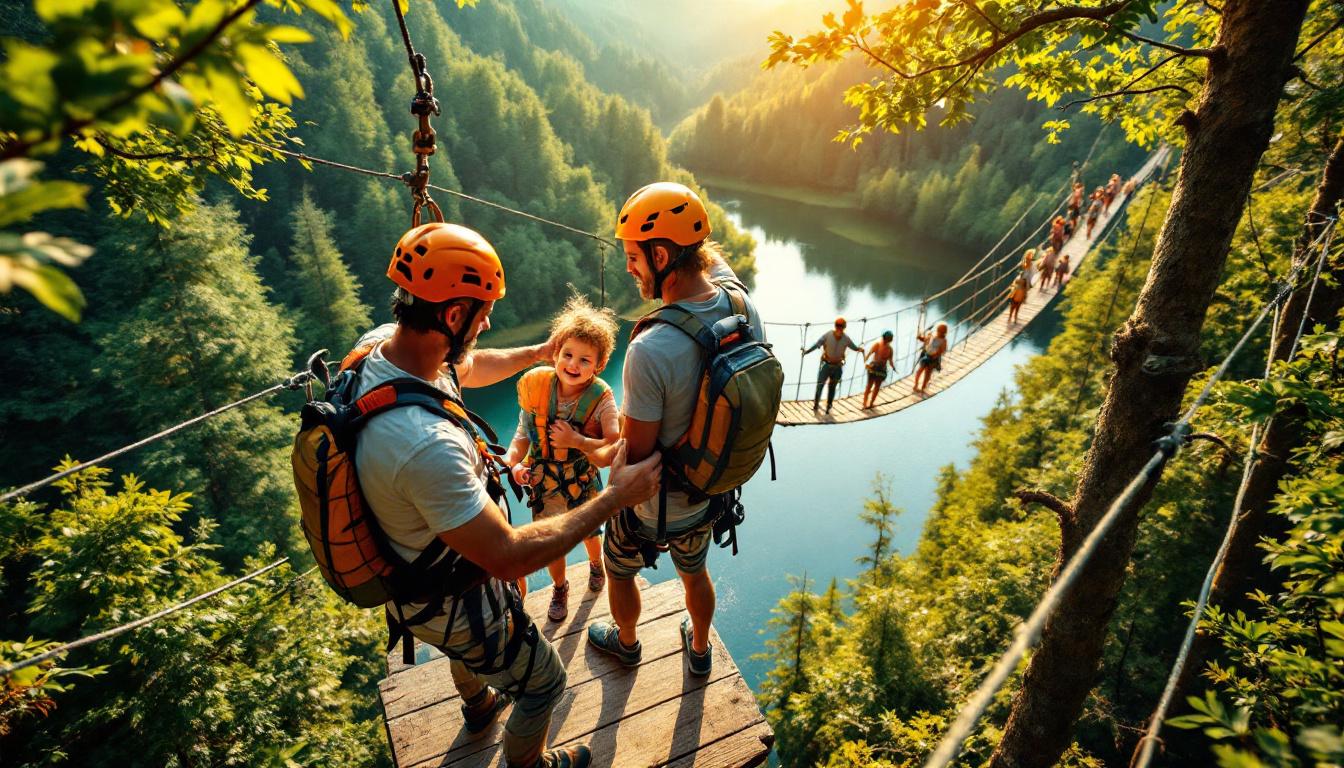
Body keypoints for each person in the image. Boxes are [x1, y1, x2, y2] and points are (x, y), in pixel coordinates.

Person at [358, 222, 661, 768]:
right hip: (451, 589)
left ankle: (478, 705)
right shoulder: (424, 445)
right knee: (545, 682)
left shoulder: (382, 349)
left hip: (413, 571)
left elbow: (467, 367)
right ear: (453, 316)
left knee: (463, 650)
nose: (490, 320)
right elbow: (510, 554)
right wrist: (616, 497)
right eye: (483, 311)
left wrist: (539, 352)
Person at [586, 181, 766, 680]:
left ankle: (626, 643)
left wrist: (598, 450)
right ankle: (701, 647)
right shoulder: (743, 308)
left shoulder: (651, 348)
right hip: (711, 492)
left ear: (661, 254)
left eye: (633, 256)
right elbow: (717, 269)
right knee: (695, 571)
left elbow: (639, 457)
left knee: (618, 567)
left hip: (652, 507)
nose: (628, 267)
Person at [501, 295, 620, 623]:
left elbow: (614, 442)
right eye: (567, 355)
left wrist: (577, 440)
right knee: (551, 542)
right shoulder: (536, 388)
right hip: (545, 482)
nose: (573, 365)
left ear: (599, 365)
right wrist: (514, 464)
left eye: (585, 360)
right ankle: (560, 586)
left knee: (590, 533)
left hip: (580, 478)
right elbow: (522, 434)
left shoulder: (601, 398)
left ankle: (596, 566)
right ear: (556, 354)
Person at [803, 317, 863, 413]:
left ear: (844, 327)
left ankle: (829, 405)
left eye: (841, 327)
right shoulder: (828, 335)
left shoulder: (846, 339)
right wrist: (807, 352)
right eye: (838, 326)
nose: (839, 328)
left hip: (837, 366)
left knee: (832, 387)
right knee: (820, 385)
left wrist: (860, 349)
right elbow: (817, 344)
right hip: (826, 365)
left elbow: (854, 347)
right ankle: (816, 405)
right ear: (835, 326)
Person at [861, 329, 895, 410]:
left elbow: (890, 360)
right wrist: (865, 359)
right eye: (887, 338)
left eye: (889, 339)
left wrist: (893, 367)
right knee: (869, 386)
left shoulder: (890, 349)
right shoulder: (877, 345)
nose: (887, 340)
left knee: (877, 387)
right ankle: (865, 403)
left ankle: (871, 403)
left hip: (882, 369)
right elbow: (870, 353)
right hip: (874, 367)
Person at [912, 322, 948, 395]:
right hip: (927, 355)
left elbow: (943, 350)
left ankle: (923, 387)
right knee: (919, 371)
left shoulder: (943, 340)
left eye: (942, 332)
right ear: (937, 330)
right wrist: (920, 338)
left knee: (928, 373)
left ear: (944, 333)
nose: (940, 333)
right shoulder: (932, 335)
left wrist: (938, 352)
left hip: (933, 358)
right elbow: (925, 340)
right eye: (939, 331)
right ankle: (915, 385)